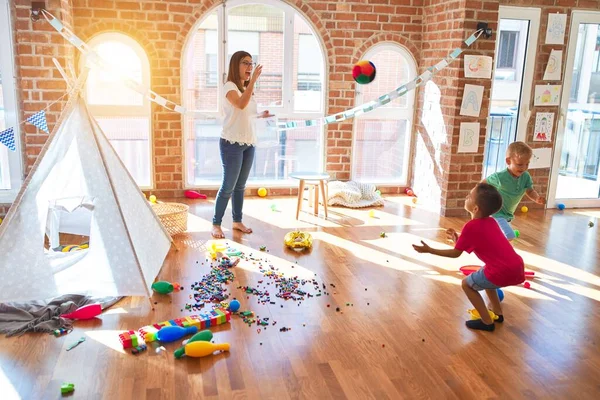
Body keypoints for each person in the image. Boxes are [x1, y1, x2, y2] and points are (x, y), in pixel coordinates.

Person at [413, 183, 525, 331]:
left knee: (467, 284)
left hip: (501, 271)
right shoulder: (491, 221)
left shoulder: (471, 226)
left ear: (475, 208)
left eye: (470, 196)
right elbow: (473, 243)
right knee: (486, 277)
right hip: (516, 265)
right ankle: (497, 314)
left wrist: (430, 250)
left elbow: (455, 254)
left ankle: (486, 321)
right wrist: (457, 239)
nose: (466, 196)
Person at [211, 51, 272, 239]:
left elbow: (246, 114)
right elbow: (240, 105)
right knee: (228, 185)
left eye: (251, 64)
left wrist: (261, 115)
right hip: (231, 143)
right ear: (235, 65)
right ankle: (216, 223)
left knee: (240, 186)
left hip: (248, 142)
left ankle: (237, 221)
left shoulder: (246, 89)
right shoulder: (229, 86)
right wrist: (252, 81)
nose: (249, 67)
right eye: (245, 63)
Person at [484, 141, 546, 240]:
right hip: (496, 213)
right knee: (509, 235)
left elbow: (530, 191)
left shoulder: (525, 176)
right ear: (508, 161)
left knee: (495, 236)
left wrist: (537, 198)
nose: (524, 168)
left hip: (508, 215)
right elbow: (482, 184)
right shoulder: (500, 177)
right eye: (520, 164)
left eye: (527, 164)